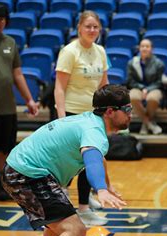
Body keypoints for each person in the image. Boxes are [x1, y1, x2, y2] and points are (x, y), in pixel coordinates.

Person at [2, 84, 130, 236]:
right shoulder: (94, 132)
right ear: (110, 111)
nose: (130, 113)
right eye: (127, 108)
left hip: (22, 168)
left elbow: (99, 160)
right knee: (75, 229)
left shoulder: (91, 121)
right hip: (27, 174)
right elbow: (91, 161)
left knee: (59, 220)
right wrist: (100, 190)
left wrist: (107, 185)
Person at [54, 10, 109, 225]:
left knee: (90, 161)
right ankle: (62, 202)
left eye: (96, 27)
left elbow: (104, 85)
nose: (92, 30)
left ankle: (84, 208)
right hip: (71, 114)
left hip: (92, 116)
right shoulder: (69, 52)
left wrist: (105, 113)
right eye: (88, 26)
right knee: (70, 163)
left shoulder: (101, 51)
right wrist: (61, 119)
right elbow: (59, 87)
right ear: (79, 28)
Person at [0, 2, 39, 201]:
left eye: (1, 19)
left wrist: (29, 100)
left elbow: (17, 74)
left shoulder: (10, 42)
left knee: (3, 149)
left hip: (7, 107)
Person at [126, 38, 165, 135]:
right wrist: (142, 88)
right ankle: (149, 123)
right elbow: (130, 81)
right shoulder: (132, 63)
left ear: (151, 49)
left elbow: (160, 81)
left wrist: (147, 89)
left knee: (152, 98)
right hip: (137, 87)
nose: (144, 48)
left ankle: (145, 124)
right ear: (139, 48)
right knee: (132, 97)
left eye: (147, 46)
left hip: (154, 88)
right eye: (142, 46)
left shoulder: (159, 63)